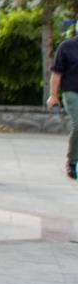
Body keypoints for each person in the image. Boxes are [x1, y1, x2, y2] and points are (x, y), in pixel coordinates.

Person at [48, 27, 78, 180]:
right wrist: (53, 96)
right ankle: (71, 162)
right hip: (71, 92)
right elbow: (56, 73)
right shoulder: (66, 47)